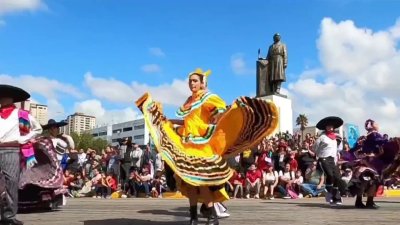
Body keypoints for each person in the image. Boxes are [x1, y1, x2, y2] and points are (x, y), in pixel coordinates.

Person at [136, 68, 279, 225]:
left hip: (201, 144)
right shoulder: (188, 101)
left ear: (203, 83)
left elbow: (220, 113)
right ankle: (193, 217)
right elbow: (188, 122)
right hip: (187, 142)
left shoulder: (208, 97)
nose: (192, 83)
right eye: (190, 81)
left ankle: (212, 216)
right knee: (189, 181)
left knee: (202, 180)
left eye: (195, 80)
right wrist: (169, 122)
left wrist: (226, 115)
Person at [0, 84, 42, 225]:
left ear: (11, 98)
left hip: (11, 149)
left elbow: (38, 129)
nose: (1, 99)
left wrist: (23, 139)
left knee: (11, 183)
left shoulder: (21, 114)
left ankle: (9, 217)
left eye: (4, 96)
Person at [313, 116, 343, 206]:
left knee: (337, 177)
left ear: (333, 127)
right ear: (325, 127)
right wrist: (319, 156)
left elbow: (339, 148)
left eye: (331, 126)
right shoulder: (322, 137)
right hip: (324, 158)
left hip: (333, 159)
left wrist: (337, 157)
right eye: (328, 126)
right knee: (330, 176)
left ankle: (335, 197)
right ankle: (330, 197)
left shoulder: (337, 137)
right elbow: (315, 148)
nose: (329, 128)